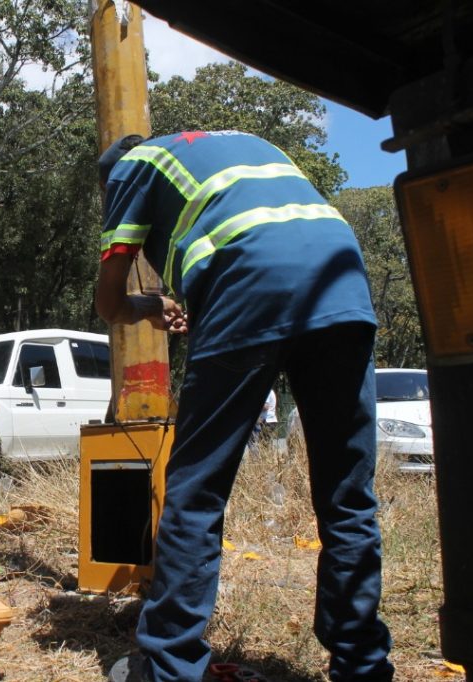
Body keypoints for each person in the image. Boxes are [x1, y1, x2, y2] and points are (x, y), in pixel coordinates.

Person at [95, 131, 393, 682]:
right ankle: (362, 666)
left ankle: (168, 667)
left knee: (196, 492)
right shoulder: (240, 145)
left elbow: (108, 301)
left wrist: (146, 305)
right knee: (347, 495)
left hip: (250, 281)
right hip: (342, 285)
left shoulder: (131, 166)